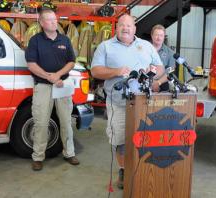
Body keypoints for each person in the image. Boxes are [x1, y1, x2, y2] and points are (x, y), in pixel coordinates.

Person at [91, 14, 164, 189]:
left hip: (145, 102)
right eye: (122, 25)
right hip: (118, 103)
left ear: (135, 29)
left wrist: (155, 74)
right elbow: (95, 71)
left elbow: (160, 67)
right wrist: (115, 72)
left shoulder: (145, 45)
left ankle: (145, 168)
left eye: (129, 25)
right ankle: (123, 169)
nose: (125, 28)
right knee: (121, 140)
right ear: (116, 27)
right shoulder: (105, 47)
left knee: (147, 138)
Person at [25, 9, 79, 171]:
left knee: (66, 122)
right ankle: (38, 156)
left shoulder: (65, 39)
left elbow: (71, 61)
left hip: (62, 86)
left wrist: (58, 75)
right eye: (49, 20)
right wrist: (49, 77)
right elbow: (31, 64)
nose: (53, 22)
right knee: (41, 123)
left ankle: (69, 153)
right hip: (43, 87)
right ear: (41, 23)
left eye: (54, 19)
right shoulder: (35, 41)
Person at [151, 24, 176, 91]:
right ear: (152, 36)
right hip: (146, 83)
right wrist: (151, 82)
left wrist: (158, 83)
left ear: (164, 37)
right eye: (156, 35)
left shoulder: (170, 53)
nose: (158, 38)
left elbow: (170, 72)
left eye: (161, 35)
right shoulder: (145, 50)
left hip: (163, 84)